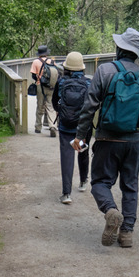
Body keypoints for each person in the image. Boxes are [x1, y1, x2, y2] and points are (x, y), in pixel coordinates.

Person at [71, 27, 139, 248]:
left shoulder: (104, 71)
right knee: (130, 186)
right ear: (136, 52)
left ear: (120, 49)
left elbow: (88, 107)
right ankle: (127, 233)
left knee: (100, 182)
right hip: (134, 141)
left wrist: (81, 137)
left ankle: (111, 210)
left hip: (107, 140)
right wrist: (134, 113)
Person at [52, 52, 93, 205]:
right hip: (83, 127)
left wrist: (62, 113)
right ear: (81, 68)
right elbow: (92, 104)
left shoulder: (61, 82)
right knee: (82, 151)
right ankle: (83, 182)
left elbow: (54, 101)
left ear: (67, 67)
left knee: (67, 157)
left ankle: (66, 193)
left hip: (66, 126)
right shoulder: (88, 83)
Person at [30, 45, 57, 137]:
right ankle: (52, 125)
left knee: (40, 106)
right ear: (46, 53)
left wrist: (38, 78)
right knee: (50, 106)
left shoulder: (36, 62)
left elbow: (33, 75)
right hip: (51, 87)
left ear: (39, 54)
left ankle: (38, 127)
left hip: (40, 86)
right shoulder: (52, 61)